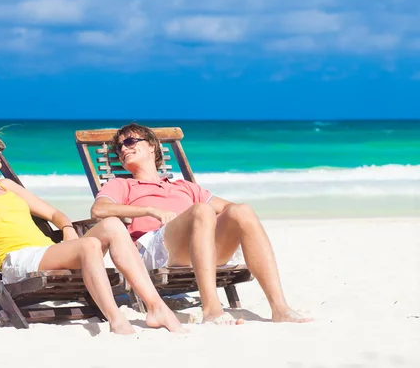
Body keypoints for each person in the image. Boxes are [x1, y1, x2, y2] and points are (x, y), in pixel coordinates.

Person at [0, 127, 185, 335]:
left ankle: (155, 307)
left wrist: (68, 229)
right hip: (19, 261)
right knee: (90, 245)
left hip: (49, 252)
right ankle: (116, 319)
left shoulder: (7, 187)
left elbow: (54, 214)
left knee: (113, 225)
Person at [90, 123, 312, 325]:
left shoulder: (184, 186)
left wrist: (216, 226)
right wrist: (149, 210)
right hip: (155, 250)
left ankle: (280, 308)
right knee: (201, 210)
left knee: (242, 210)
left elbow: (228, 209)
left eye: (130, 142)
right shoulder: (122, 184)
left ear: (152, 147)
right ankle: (212, 309)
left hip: (202, 247)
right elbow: (99, 210)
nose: (123, 149)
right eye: (119, 148)